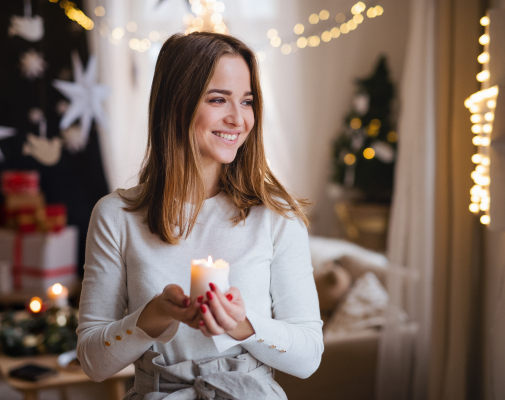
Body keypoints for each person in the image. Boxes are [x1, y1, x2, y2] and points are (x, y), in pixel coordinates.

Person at [77, 32, 324, 399]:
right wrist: (153, 317)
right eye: (218, 99)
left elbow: (308, 357)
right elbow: (93, 362)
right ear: (176, 103)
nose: (238, 119)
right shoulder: (116, 217)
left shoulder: (276, 217)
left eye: (247, 101)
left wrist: (246, 326)